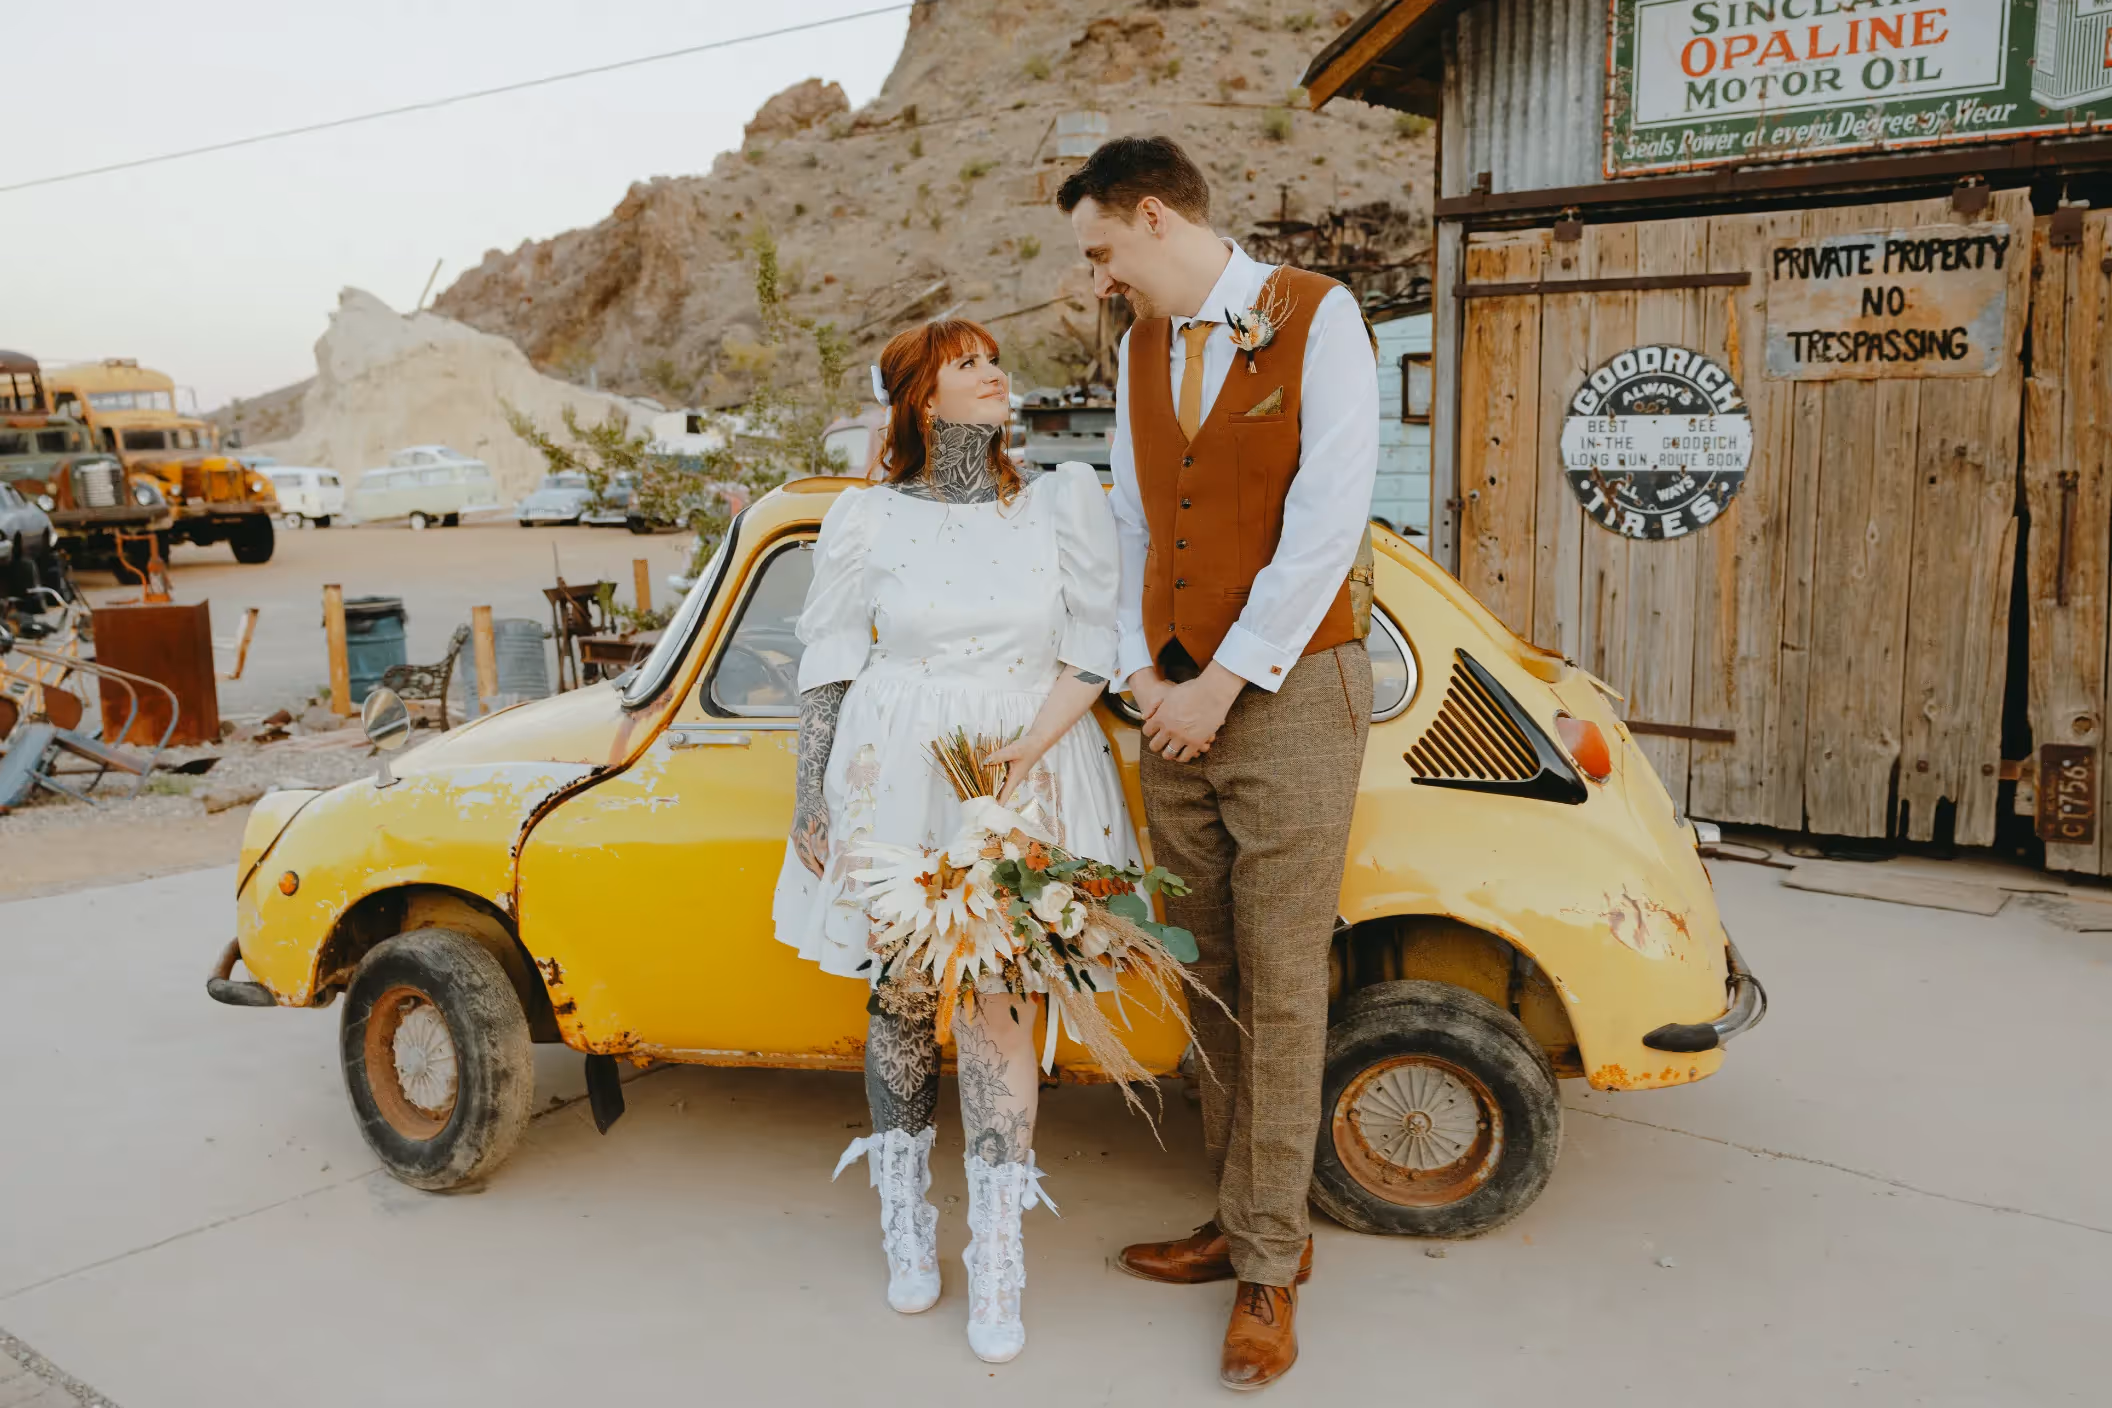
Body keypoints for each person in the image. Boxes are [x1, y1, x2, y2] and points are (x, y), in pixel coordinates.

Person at [1059, 136, 1379, 1391]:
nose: (1097, 280)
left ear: (1154, 218)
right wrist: (1145, 677)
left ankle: (1269, 1265)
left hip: (1287, 691)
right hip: (1173, 695)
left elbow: (1326, 524)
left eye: (1102, 253)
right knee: (1208, 968)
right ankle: (1241, 1216)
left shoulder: (1319, 315)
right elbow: (1138, 519)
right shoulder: (1140, 346)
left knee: (1289, 975)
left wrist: (1217, 685)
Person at [771, 318, 1134, 1364]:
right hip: (892, 778)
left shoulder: (1059, 500)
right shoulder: (865, 518)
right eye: (970, 363)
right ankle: (903, 1213)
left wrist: (1025, 752)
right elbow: (832, 661)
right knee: (900, 993)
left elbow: (1091, 650)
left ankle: (1000, 1245)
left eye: (993, 360)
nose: (995, 373)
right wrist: (811, 796)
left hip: (1018, 774)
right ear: (923, 398)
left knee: (998, 1000)